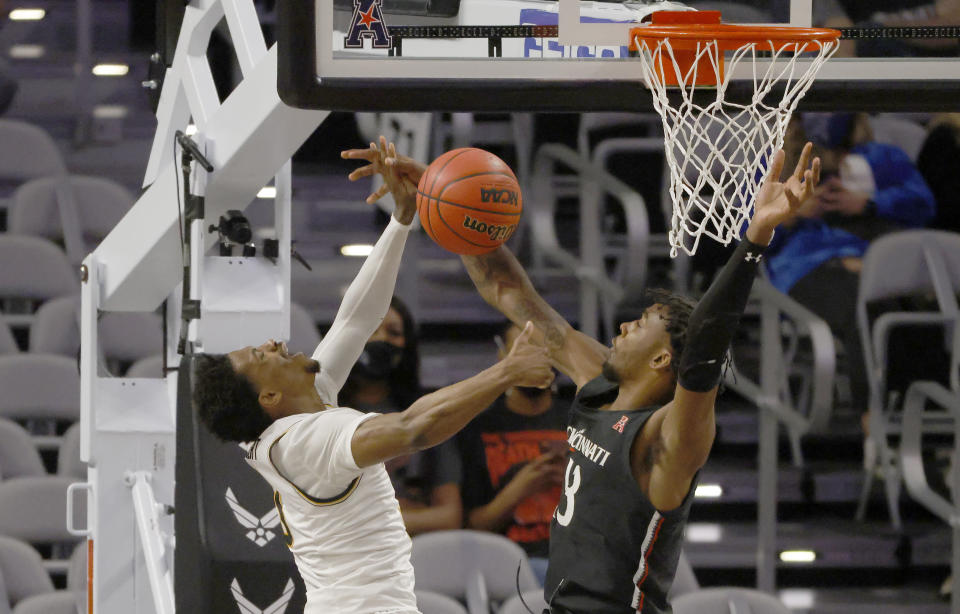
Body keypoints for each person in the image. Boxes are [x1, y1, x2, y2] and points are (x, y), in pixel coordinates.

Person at [371, 141, 821, 612]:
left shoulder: (669, 436)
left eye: (642, 323)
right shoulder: (599, 383)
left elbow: (707, 344)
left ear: (664, 361)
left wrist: (752, 243)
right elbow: (508, 290)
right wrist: (443, 196)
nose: (623, 326)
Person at [191, 137, 555, 614]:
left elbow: (356, 320)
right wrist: (506, 372)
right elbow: (412, 429)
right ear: (270, 395)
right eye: (262, 355)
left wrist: (401, 220)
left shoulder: (295, 412)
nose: (275, 343)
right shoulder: (306, 441)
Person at [768, 113, 936, 462]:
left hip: (873, 260)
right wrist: (793, 213)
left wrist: (869, 203)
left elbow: (924, 203)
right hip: (805, 267)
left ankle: (923, 425)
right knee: (864, 304)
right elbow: (741, 232)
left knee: (912, 308)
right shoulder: (777, 161)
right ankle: (874, 424)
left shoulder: (881, 157)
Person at [339, 295, 463, 536]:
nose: (381, 339)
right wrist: (407, 514)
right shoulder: (326, 411)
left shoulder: (426, 413)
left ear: (407, 344)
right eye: (371, 329)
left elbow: (449, 517)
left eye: (394, 332)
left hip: (418, 555)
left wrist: (363, 520)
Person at [456, 322, 569, 584]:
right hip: (507, 567)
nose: (535, 356)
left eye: (544, 348)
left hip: (580, 560)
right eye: (524, 347)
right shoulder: (477, 429)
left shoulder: (584, 421)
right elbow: (471, 527)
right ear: (502, 356)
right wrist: (521, 488)